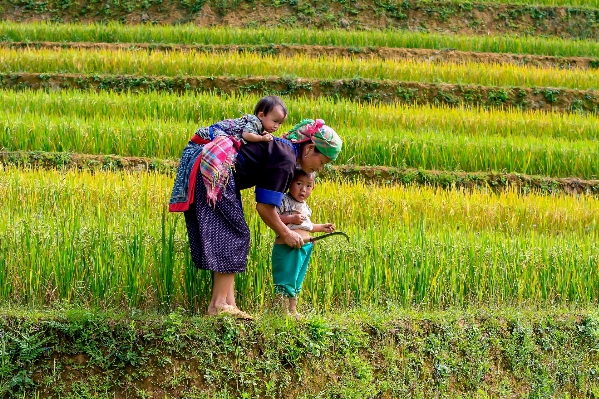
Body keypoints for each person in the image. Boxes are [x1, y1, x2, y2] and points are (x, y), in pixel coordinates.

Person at [169, 112, 342, 319]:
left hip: (209, 167)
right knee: (235, 233)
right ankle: (219, 305)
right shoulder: (286, 159)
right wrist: (286, 233)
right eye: (321, 162)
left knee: (229, 233)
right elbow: (265, 208)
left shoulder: (282, 152)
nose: (320, 168)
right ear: (310, 149)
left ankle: (227, 304)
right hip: (215, 170)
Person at [272, 169, 335, 318]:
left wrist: (322, 227)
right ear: (290, 183)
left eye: (308, 186)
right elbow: (273, 217)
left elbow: (308, 226)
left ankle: (293, 310)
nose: (303, 189)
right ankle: (282, 311)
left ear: (313, 188)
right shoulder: (283, 200)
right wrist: (291, 219)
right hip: (287, 247)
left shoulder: (305, 206)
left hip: (304, 247)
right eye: (299, 184)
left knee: (296, 279)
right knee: (286, 277)